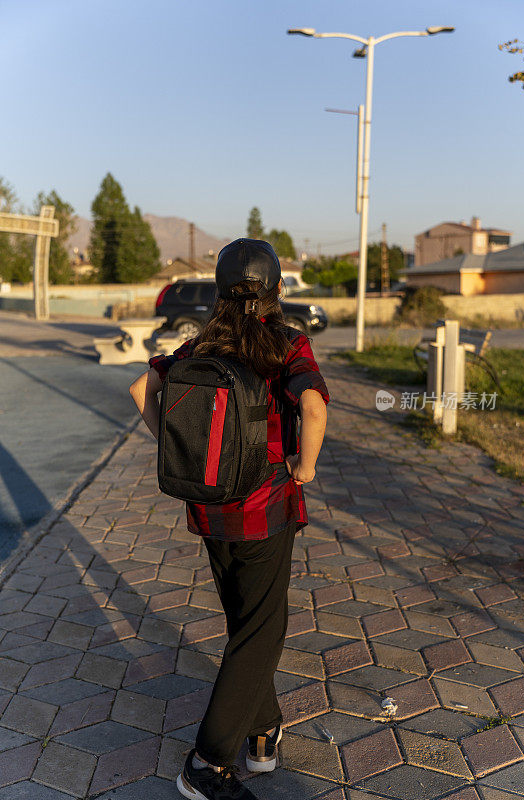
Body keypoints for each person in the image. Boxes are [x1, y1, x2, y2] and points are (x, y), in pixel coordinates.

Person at [129, 238, 329, 800]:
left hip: (209, 507)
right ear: (277, 291)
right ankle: (207, 763)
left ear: (219, 293)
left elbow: (141, 388)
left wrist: (181, 454)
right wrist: (304, 468)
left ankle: (263, 736)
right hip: (266, 507)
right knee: (263, 629)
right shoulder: (287, 345)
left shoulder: (197, 347)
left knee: (247, 623)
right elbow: (312, 406)